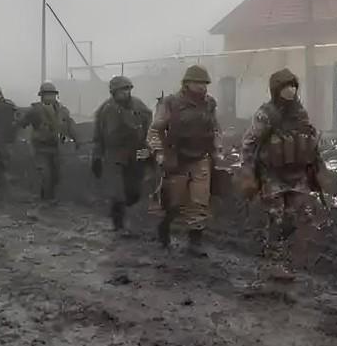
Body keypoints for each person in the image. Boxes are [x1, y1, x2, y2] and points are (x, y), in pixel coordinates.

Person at [239, 68, 325, 281]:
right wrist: (248, 171)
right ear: (276, 89)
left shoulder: (300, 112)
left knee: (293, 219)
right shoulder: (266, 114)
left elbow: (310, 140)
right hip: (273, 176)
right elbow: (249, 143)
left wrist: (317, 167)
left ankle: (282, 256)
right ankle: (273, 262)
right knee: (275, 218)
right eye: (287, 86)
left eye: (294, 86)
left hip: (297, 175)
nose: (291, 90)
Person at [146, 65, 220, 255]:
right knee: (174, 202)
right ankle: (164, 228)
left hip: (200, 158)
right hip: (176, 159)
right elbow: (155, 130)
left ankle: (195, 242)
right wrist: (159, 152)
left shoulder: (209, 104)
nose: (202, 87)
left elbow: (214, 129)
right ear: (187, 83)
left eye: (205, 83)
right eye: (198, 82)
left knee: (199, 200)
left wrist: (217, 150)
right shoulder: (171, 103)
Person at [92, 76, 153, 233]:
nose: (125, 93)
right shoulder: (105, 110)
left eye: (127, 89)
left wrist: (149, 150)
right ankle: (118, 224)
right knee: (117, 192)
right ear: (113, 92)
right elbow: (98, 136)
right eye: (121, 90)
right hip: (114, 154)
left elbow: (149, 127)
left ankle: (127, 213)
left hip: (135, 153)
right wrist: (97, 156)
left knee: (134, 191)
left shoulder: (139, 106)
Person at [17, 81, 79, 202]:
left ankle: (50, 198)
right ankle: (46, 200)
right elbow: (23, 122)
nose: (50, 97)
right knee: (46, 174)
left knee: (56, 175)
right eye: (47, 95)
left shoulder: (62, 111)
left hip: (56, 147)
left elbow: (70, 126)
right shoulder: (36, 110)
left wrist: (77, 140)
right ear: (42, 96)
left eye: (52, 94)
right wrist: (19, 122)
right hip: (40, 147)